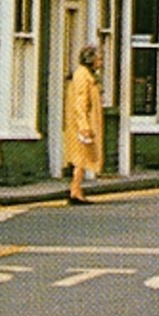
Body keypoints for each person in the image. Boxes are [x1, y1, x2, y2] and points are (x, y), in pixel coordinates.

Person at [64, 45, 103, 205]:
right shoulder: (82, 75)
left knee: (82, 157)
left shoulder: (87, 74)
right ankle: (75, 190)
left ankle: (77, 189)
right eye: (99, 59)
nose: (101, 62)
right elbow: (80, 102)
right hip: (82, 123)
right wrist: (84, 126)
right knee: (81, 156)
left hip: (85, 121)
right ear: (91, 60)